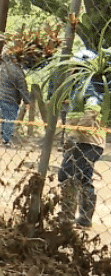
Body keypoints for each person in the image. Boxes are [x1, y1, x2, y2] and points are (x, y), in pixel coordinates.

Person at [58, 78, 106, 228]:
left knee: (70, 175)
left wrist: (74, 134)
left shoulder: (90, 87)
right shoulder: (80, 88)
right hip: (87, 141)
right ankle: (77, 217)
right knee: (78, 176)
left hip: (85, 142)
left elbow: (91, 113)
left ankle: (72, 217)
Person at [0, 51, 31, 146]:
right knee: (10, 119)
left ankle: (4, 138)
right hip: (11, 99)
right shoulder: (17, 71)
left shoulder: (4, 66)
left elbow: (3, 56)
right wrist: (27, 101)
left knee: (4, 118)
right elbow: (22, 88)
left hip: (2, 96)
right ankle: (6, 140)